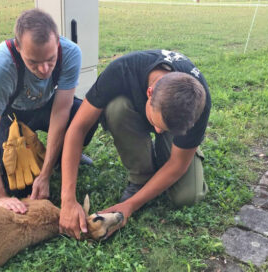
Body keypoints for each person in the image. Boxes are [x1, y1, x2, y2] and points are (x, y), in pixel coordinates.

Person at [59, 49, 211, 239]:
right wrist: (67, 199)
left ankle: (180, 147)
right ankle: (141, 177)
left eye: (164, 129)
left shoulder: (198, 100)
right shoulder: (121, 70)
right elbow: (77, 129)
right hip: (130, 115)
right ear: (149, 92)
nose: (158, 132)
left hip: (176, 127)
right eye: (156, 124)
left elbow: (178, 165)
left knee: (187, 196)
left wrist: (130, 205)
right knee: (116, 107)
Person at [0, 9, 97, 214]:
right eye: (33, 62)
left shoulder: (71, 53)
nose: (44, 69)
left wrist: (46, 174)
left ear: (58, 42)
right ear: (18, 47)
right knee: (20, 186)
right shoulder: (1, 66)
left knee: (83, 116)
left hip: (46, 106)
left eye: (50, 59)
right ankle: (48, 157)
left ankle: (63, 156)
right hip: (10, 114)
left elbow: (61, 113)